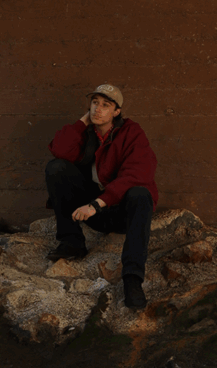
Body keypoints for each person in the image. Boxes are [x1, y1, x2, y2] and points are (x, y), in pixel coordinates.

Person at [45, 83, 158, 309]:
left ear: (116, 112)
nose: (98, 109)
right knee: (56, 167)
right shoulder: (87, 133)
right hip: (94, 210)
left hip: (119, 212)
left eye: (105, 105)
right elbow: (59, 150)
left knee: (140, 193)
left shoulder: (132, 133)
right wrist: (83, 121)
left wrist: (96, 204)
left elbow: (136, 175)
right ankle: (72, 242)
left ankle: (132, 279)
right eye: (95, 103)